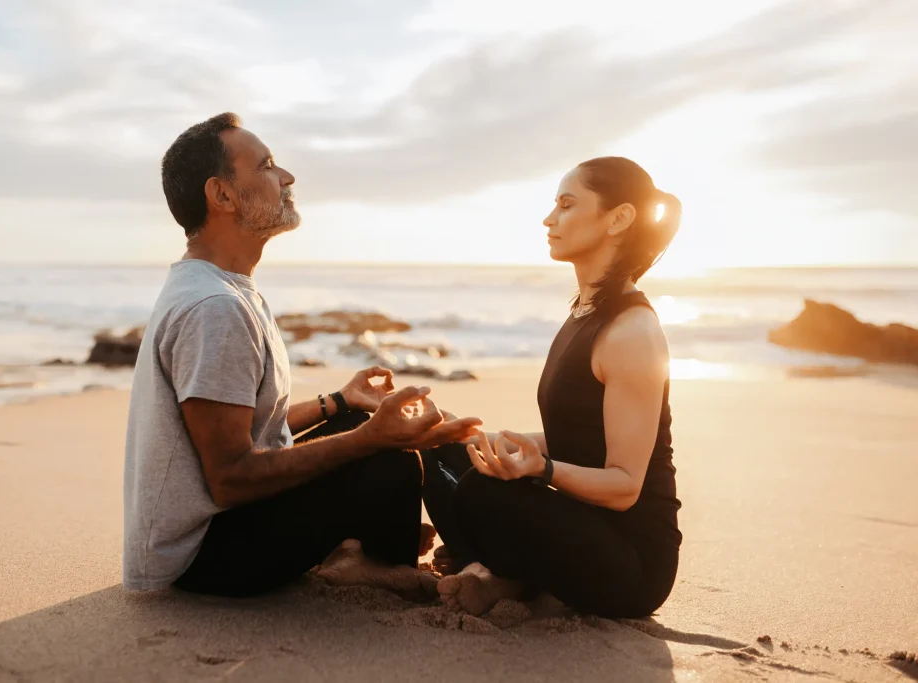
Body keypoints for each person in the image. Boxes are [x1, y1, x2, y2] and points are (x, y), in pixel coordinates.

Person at [122, 112, 482, 598]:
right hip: (204, 557)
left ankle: (363, 549)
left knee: (374, 431)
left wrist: (340, 402)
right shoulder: (215, 308)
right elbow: (229, 478)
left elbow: (242, 423)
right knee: (388, 459)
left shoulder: (221, 286)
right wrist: (369, 438)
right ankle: (375, 564)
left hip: (216, 528)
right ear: (222, 195)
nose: (286, 177)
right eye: (267, 166)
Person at [423, 157, 683, 618]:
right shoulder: (585, 311)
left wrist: (539, 469)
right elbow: (581, 437)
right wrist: (489, 440)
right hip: (576, 526)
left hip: (631, 562)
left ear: (619, 219)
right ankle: (500, 570)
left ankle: (497, 572)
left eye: (566, 205)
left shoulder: (632, 332)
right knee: (441, 452)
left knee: (479, 494)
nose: (549, 219)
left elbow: (625, 486)